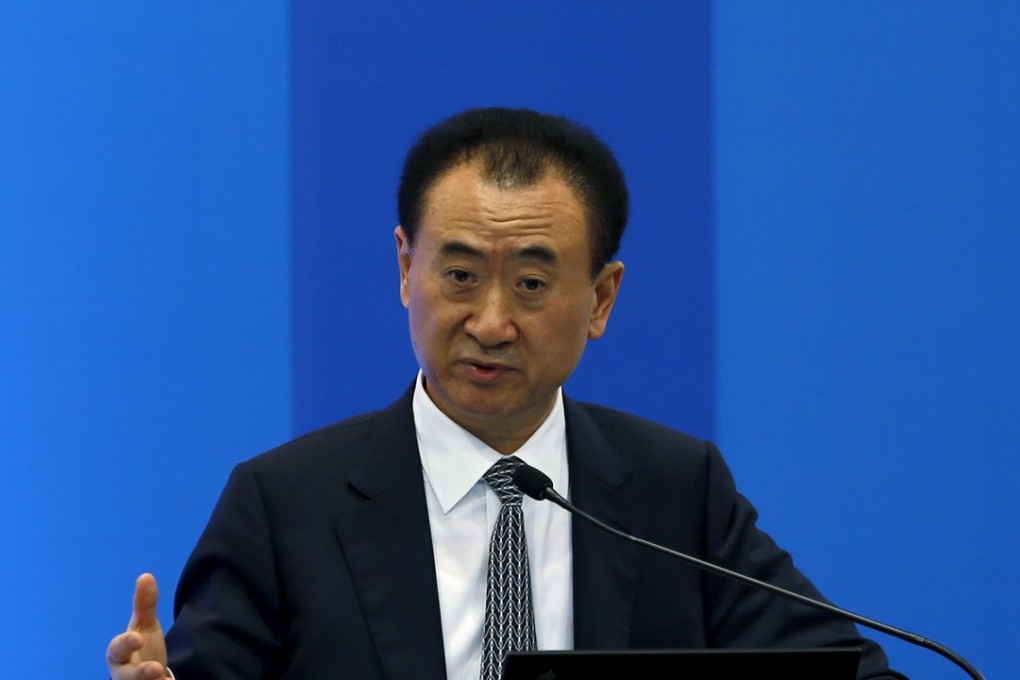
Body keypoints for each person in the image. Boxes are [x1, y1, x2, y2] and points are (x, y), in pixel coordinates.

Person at [107, 107, 905, 680]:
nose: (489, 323)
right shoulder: (281, 507)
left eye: (530, 283)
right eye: (458, 276)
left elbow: (847, 673)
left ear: (600, 300)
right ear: (403, 269)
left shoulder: (677, 492)